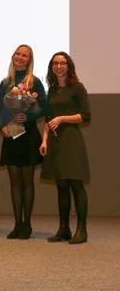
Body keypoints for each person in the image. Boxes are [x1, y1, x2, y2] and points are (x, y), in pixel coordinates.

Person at [40, 51, 91, 244]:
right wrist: (44, 140)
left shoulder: (77, 87)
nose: (59, 66)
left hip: (71, 139)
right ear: (52, 67)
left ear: (68, 66)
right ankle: (64, 229)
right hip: (54, 141)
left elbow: (85, 116)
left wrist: (62, 119)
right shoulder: (53, 90)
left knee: (75, 184)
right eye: (55, 63)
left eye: (62, 63)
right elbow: (47, 119)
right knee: (61, 185)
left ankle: (82, 229)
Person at [0, 44, 46, 239]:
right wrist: (3, 127)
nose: (20, 57)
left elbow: (43, 107)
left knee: (27, 181)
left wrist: (29, 116)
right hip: (11, 135)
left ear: (29, 60)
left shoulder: (35, 82)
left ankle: (27, 225)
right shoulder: (5, 82)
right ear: (13, 56)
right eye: (18, 53)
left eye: (24, 55)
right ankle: (17, 224)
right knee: (14, 181)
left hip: (29, 135)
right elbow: (0, 108)